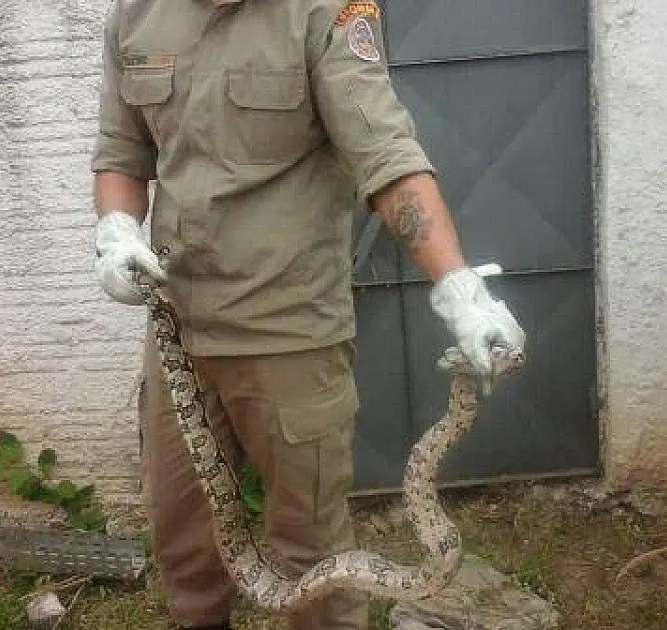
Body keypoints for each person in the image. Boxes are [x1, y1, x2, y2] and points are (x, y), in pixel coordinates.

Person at [88, 0, 527, 628]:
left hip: (290, 333)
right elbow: (122, 153)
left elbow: (387, 157)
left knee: (311, 548)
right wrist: (116, 230)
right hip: (179, 331)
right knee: (182, 537)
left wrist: (459, 288)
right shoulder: (135, 15)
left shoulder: (328, 12)